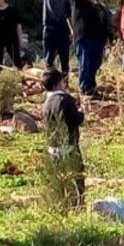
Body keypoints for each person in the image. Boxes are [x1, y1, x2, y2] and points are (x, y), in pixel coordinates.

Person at [40, 68, 85, 202]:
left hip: (52, 148)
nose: (64, 84)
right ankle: (78, 203)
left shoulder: (46, 103)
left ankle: (60, 202)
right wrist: (81, 112)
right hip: (69, 147)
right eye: (62, 82)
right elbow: (75, 120)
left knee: (59, 180)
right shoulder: (66, 100)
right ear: (56, 84)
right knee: (76, 178)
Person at [70, 0, 110, 97]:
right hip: (84, 39)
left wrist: (107, 40)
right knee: (84, 64)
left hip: (98, 40)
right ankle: (84, 88)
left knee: (95, 63)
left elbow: (106, 23)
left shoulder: (100, 8)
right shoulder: (80, 4)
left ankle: (92, 87)